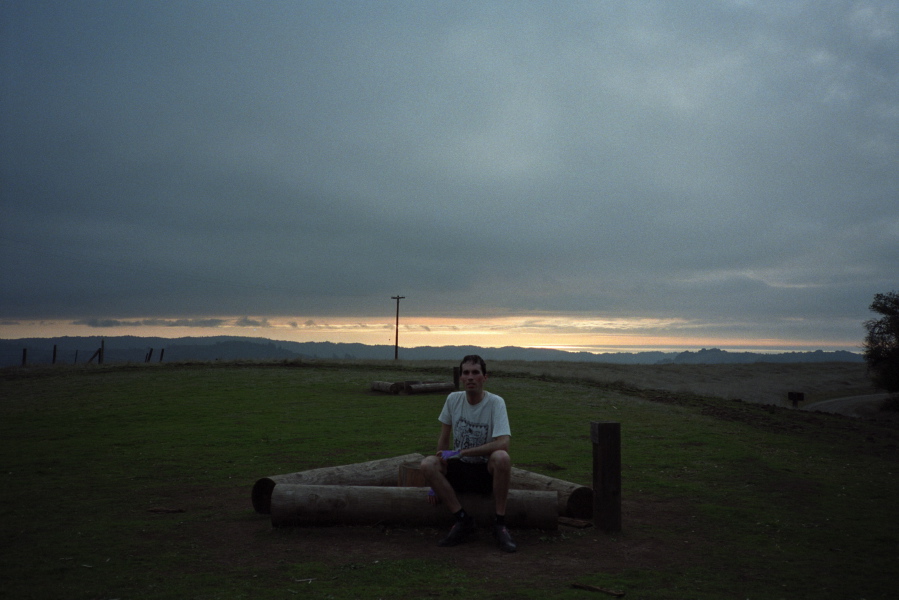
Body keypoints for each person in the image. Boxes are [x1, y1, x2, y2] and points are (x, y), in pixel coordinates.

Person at [420, 354, 516, 553]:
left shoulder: (496, 403)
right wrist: (434, 482)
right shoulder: (453, 399)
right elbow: (444, 439)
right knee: (427, 464)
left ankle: (500, 524)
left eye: (475, 372)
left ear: (484, 377)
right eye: (466, 373)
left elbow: (504, 443)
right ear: (461, 378)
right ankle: (462, 520)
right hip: (458, 469)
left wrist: (462, 452)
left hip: (484, 471)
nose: (470, 377)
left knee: (502, 458)